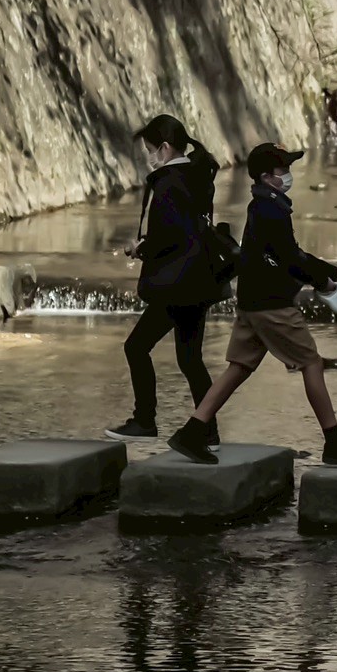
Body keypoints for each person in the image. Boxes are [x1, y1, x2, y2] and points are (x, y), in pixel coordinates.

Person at [167, 143, 337, 465]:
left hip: (251, 304)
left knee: (238, 368)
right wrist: (325, 280)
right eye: (284, 171)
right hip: (271, 306)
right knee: (311, 363)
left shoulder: (263, 204)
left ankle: (193, 432)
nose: (289, 176)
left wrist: (329, 272)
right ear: (267, 177)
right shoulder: (271, 209)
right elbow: (291, 258)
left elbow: (287, 253)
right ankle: (335, 444)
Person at [108, 115, 226, 441]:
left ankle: (144, 421)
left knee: (136, 347)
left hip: (179, 285)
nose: (148, 156)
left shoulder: (170, 182)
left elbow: (168, 236)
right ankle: (208, 431)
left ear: (163, 147)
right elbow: (188, 229)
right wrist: (148, 244)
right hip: (199, 281)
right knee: (190, 360)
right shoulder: (198, 174)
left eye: (149, 149)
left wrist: (140, 249)